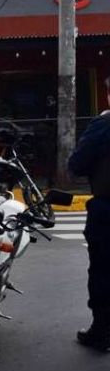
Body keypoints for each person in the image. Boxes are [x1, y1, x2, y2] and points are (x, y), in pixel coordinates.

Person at [68, 75, 110, 352]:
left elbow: (77, 164)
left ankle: (102, 332)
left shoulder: (104, 125)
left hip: (108, 210)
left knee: (104, 272)